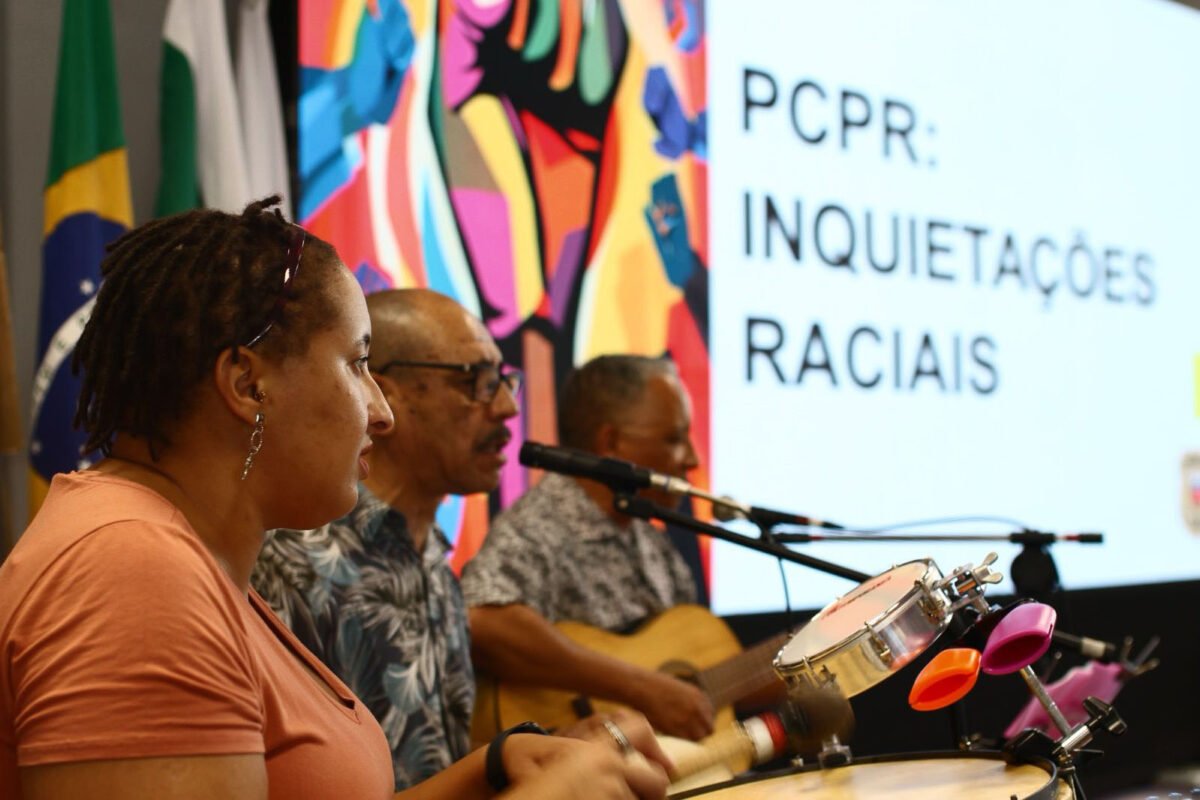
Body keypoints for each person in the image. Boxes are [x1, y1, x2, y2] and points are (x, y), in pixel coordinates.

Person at [0, 200, 668, 800]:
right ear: (248, 384)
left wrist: (491, 769)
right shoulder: (133, 573)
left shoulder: (187, 560)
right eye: (357, 363)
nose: (381, 412)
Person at [250, 288, 518, 788]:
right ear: (386, 396)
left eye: (503, 381)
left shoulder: (431, 555)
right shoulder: (296, 560)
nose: (506, 407)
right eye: (476, 382)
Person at [461, 355, 717, 742]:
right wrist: (640, 688)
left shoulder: (649, 538)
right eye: (673, 439)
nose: (692, 459)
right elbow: (483, 621)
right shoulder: (539, 527)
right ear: (610, 442)